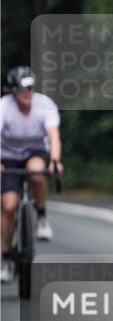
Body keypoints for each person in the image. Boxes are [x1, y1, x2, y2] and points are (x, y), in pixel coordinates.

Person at [1, 67, 61, 282]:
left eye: (30, 88)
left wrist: (54, 161)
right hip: (7, 156)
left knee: (37, 173)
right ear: (12, 92)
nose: (27, 93)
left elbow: (54, 137)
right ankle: (6, 255)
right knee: (8, 206)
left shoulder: (44, 104)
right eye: (22, 90)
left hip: (35, 151)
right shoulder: (3, 108)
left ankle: (41, 216)